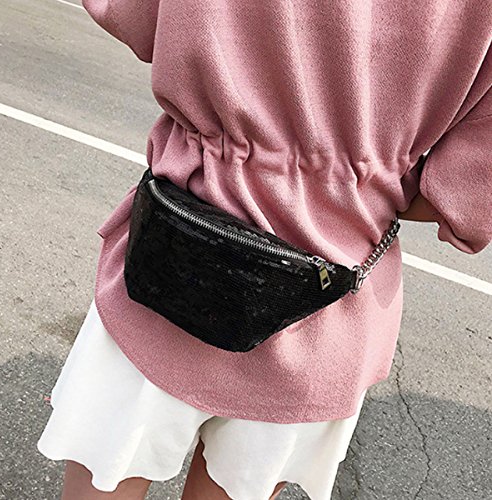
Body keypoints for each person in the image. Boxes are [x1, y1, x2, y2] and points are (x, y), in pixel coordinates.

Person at [36, 1, 491, 499]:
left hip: (174, 259)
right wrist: (363, 179)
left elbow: (132, 15)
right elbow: (463, 198)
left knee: (106, 476)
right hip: (323, 310)